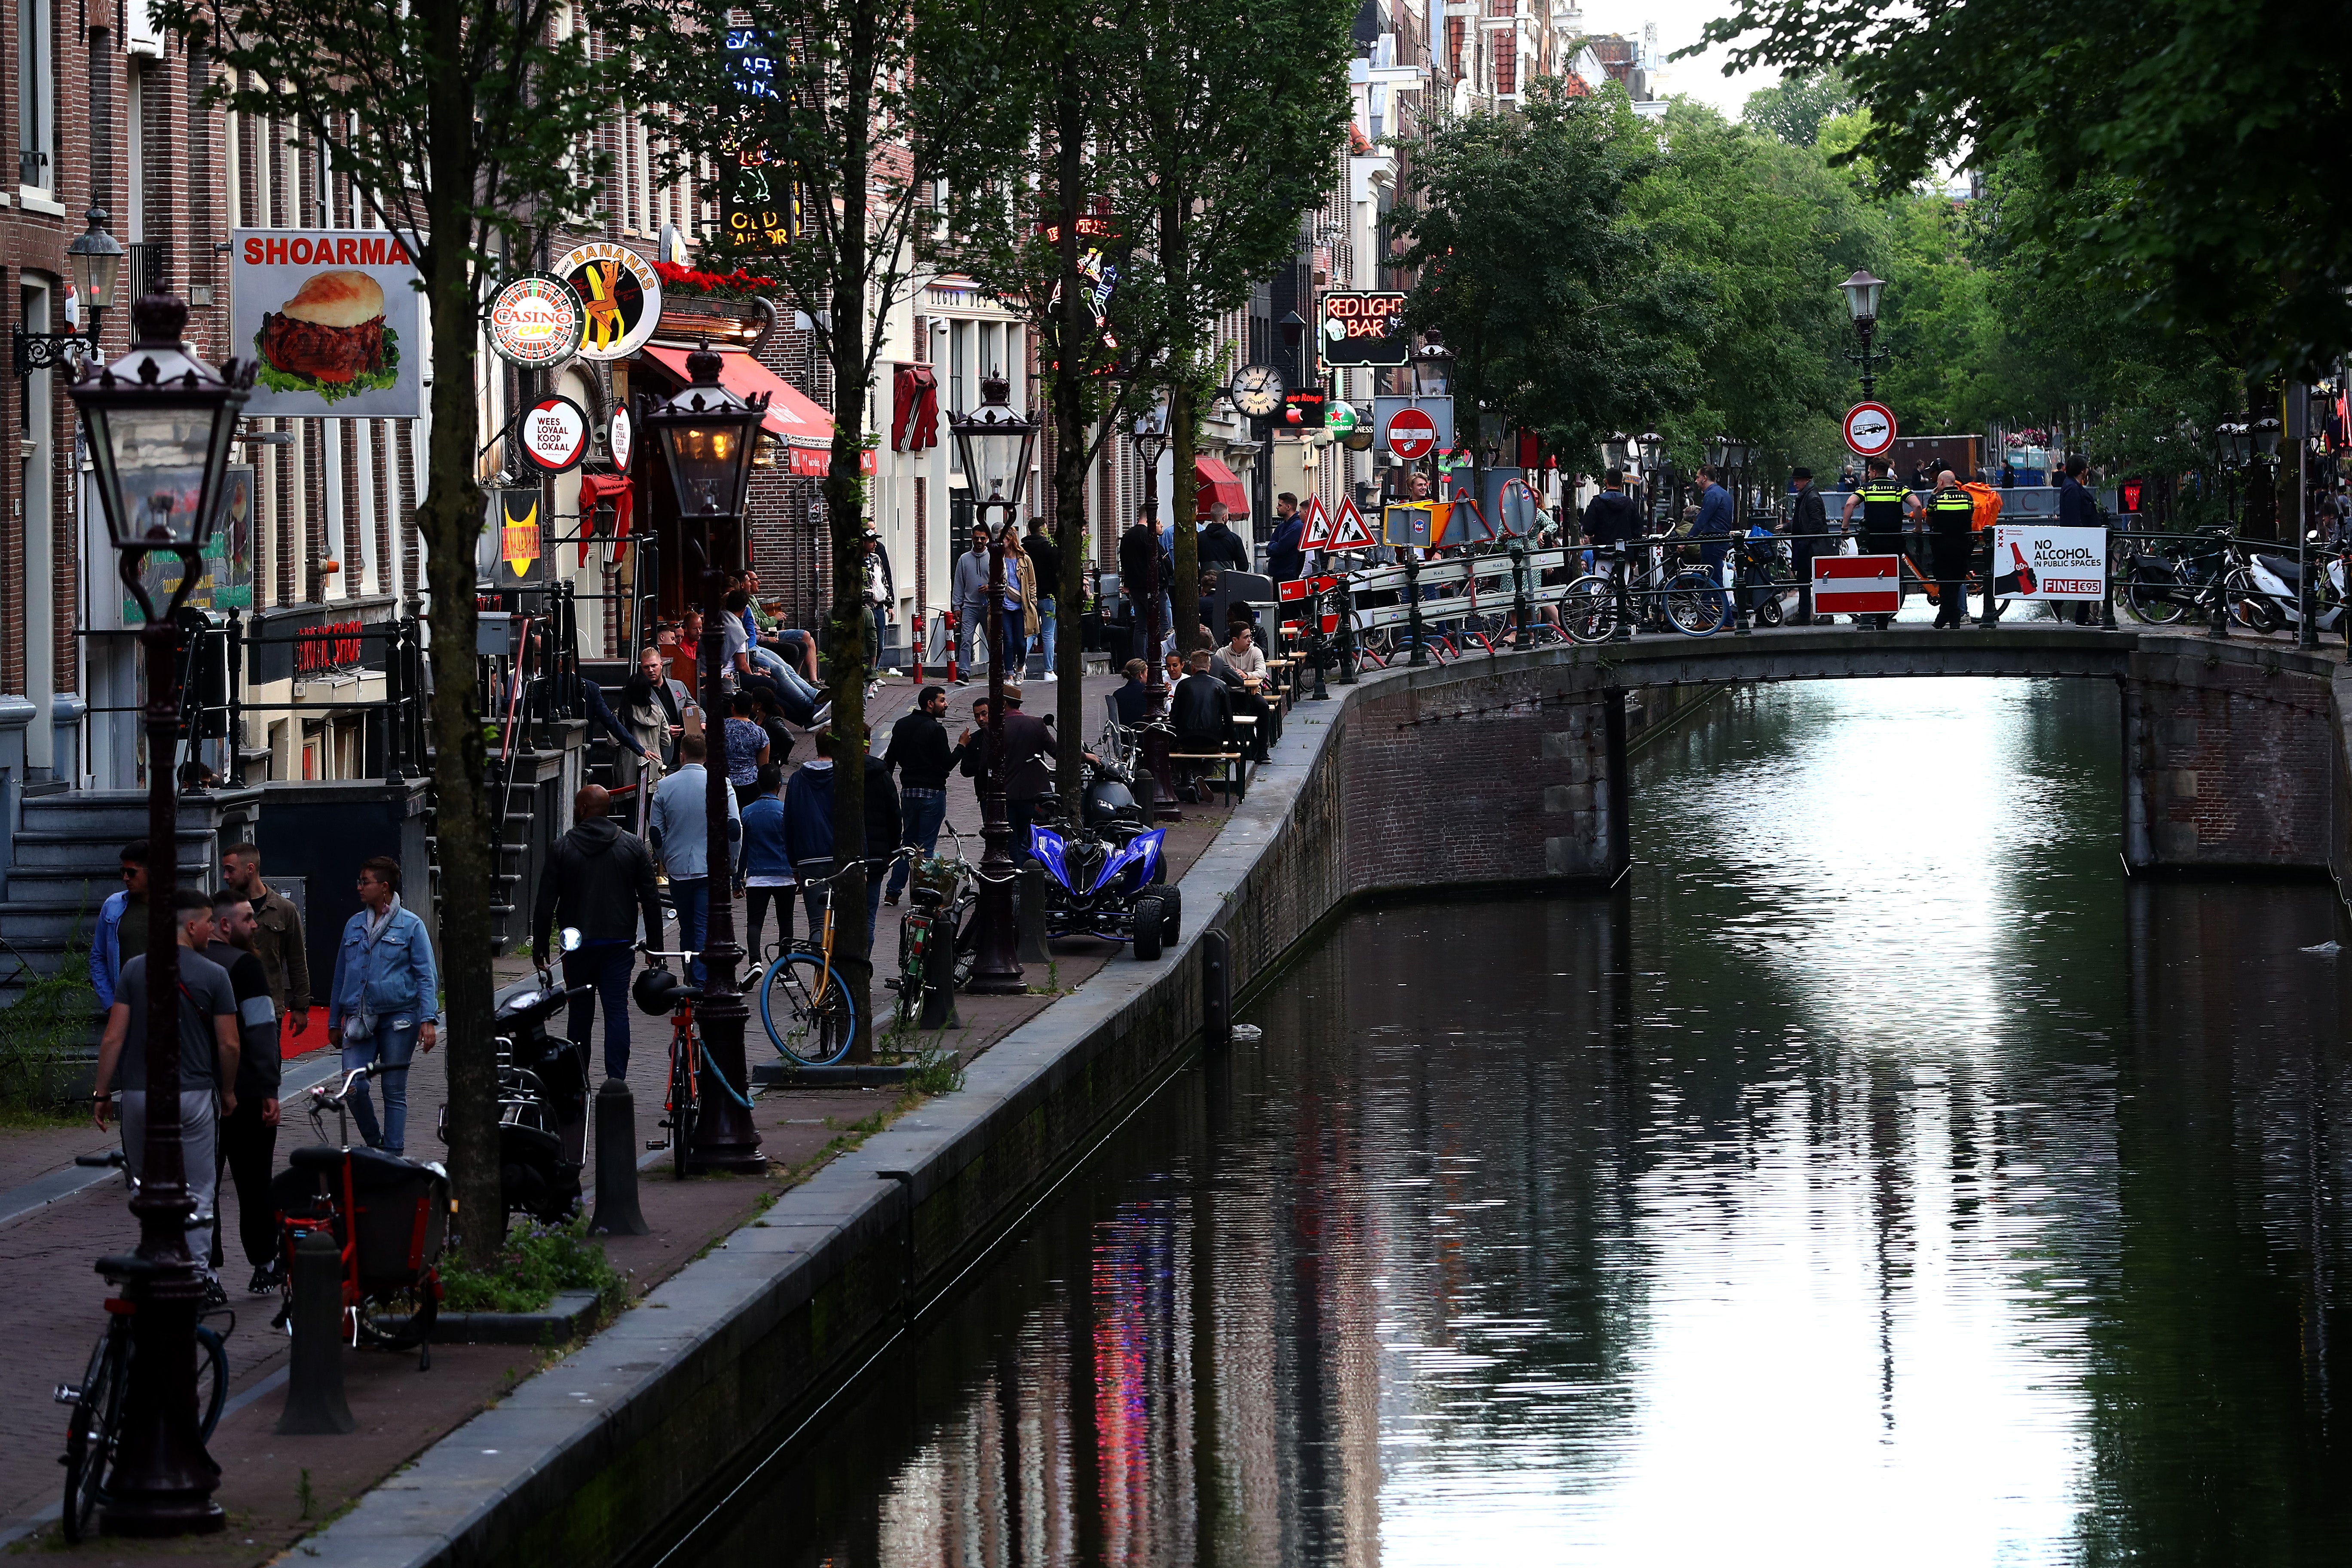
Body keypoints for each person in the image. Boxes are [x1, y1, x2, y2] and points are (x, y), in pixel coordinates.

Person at [91, 886, 239, 1274]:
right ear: (191, 926)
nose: (212, 931)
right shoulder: (215, 975)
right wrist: (227, 1090)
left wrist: (102, 1091)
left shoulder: (134, 970)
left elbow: (113, 1037)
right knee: (199, 1190)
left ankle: (155, 1262)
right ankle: (196, 1273)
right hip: (192, 1094)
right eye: (208, 923)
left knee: (145, 1188)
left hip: (140, 1095)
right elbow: (229, 1044)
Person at [533, 784, 664, 1081]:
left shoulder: (562, 848)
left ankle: (578, 1081)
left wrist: (540, 947)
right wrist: (654, 948)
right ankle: (616, 1080)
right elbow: (651, 898)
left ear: (581, 810)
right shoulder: (631, 845)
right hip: (619, 942)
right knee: (616, 1010)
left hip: (577, 945)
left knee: (580, 1013)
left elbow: (545, 902)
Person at [326, 856, 436, 1156]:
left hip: (399, 1017)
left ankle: (393, 1154)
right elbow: (341, 974)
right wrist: (334, 1020)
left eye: (366, 882)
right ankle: (375, 1141)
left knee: (393, 1089)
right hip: (359, 1016)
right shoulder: (354, 925)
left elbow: (426, 975)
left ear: (384, 887)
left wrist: (428, 1019)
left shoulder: (411, 925)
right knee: (353, 1086)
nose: (359, 887)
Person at [205, 889, 282, 1291]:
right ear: (224, 925)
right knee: (255, 1182)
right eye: (248, 919)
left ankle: (209, 1270)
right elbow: (261, 1029)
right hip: (248, 1091)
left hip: (201, 1092)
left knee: (206, 1186)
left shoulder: (189, 966)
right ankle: (264, 1263)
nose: (255, 926)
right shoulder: (245, 966)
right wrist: (270, 1086)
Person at [649, 733, 739, 988]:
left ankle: (690, 974)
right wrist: (730, 865)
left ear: (682, 755)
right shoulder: (722, 784)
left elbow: (656, 832)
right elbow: (734, 829)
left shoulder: (665, 786)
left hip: (678, 868)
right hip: (710, 867)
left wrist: (667, 857)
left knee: (687, 925)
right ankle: (699, 980)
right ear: (707, 757)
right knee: (702, 925)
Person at [220, 842, 311, 1040]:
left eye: (230, 870)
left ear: (250, 869)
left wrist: (301, 1006)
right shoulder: (223, 908)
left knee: (267, 1062)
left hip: (269, 1003)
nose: (226, 876)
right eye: (224, 870)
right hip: (229, 1001)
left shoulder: (284, 909)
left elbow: (297, 960)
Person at [957, 684, 1060, 854]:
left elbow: (985, 766)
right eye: (978, 716)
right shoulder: (1036, 723)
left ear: (1003, 704)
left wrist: (988, 790)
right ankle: (1028, 874)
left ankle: (1017, 878)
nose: (981, 719)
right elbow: (1058, 752)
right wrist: (1086, 757)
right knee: (1026, 840)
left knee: (1010, 843)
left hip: (1005, 797)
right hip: (1031, 795)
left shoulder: (995, 729)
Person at [882, 686, 953, 905]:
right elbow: (947, 764)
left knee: (908, 843)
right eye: (942, 700)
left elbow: (890, 760)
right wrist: (962, 746)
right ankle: (921, 894)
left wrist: (889, 789)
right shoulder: (936, 730)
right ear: (930, 704)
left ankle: (893, 892)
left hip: (909, 792)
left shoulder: (901, 725)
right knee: (926, 846)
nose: (946, 704)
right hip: (932, 791)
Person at [1841, 456, 1923, 628]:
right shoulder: (1899, 488)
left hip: (1873, 542)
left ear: (1875, 472)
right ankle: (1885, 616)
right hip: (1894, 541)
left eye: (1870, 471)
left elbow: (1850, 504)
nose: (1869, 474)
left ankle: (1876, 616)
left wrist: (1844, 529)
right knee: (1891, 578)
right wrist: (1918, 528)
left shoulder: (1867, 489)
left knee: (1874, 578)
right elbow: (1916, 506)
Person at [91, 839, 150, 1008]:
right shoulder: (114, 906)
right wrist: (111, 1004)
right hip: (127, 1006)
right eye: (123, 871)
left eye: (131, 873)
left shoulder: (177, 908)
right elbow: (98, 957)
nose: (125, 878)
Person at [1926, 468, 1978, 629]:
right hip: (1962, 545)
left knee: (1945, 581)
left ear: (1941, 482)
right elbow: (1969, 516)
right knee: (1955, 581)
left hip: (1942, 545)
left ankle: (1946, 617)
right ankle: (1952, 618)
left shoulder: (1936, 499)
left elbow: (1929, 520)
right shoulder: (1968, 497)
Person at [1119, 512, 1169, 658]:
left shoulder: (1127, 536)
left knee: (1141, 626)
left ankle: (1141, 659)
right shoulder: (1148, 535)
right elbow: (1158, 558)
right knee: (1162, 623)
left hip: (1135, 588)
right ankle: (1159, 658)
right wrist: (1163, 580)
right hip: (1152, 588)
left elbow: (1124, 560)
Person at [1788, 468, 1829, 624]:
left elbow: (1816, 523)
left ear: (1807, 480)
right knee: (1805, 579)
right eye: (1794, 480)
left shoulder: (1811, 497)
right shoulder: (1807, 495)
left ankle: (1822, 614)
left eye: (1798, 480)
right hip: (1808, 545)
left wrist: (1805, 541)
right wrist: (1788, 528)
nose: (1795, 483)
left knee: (1815, 580)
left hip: (1812, 546)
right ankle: (1805, 614)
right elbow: (1802, 520)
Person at [952, 528, 992, 679]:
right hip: (969, 607)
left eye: (982, 538)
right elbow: (959, 583)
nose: (980, 541)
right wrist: (957, 606)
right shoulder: (964, 559)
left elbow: (1002, 580)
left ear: (987, 538)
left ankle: (996, 670)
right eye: (977, 538)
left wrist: (990, 587)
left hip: (989, 607)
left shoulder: (993, 557)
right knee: (966, 640)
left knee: (992, 641)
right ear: (972, 538)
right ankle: (964, 673)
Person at [1025, 517, 1062, 680]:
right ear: (1043, 530)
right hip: (1048, 596)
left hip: (1029, 597)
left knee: (1030, 633)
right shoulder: (1050, 549)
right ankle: (1048, 671)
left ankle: (1020, 664)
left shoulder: (1023, 548)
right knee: (1048, 634)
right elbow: (1057, 572)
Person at [722, 689, 771, 807]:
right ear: (751, 708)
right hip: (751, 784)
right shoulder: (760, 733)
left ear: (733, 707)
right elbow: (763, 766)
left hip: (723, 782)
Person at [999, 524, 1037, 674]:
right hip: (1004, 605)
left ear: (1011, 539)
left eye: (1005, 539)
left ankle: (1021, 666)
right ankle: (1009, 673)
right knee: (1008, 641)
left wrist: (1032, 602)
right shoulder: (998, 558)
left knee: (1021, 643)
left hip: (1021, 606)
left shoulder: (1024, 559)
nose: (1002, 542)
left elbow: (1032, 583)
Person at [1691, 465, 1735, 577]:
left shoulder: (1712, 495)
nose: (1696, 481)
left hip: (1713, 541)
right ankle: (1713, 595)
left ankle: (1716, 595)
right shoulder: (1724, 493)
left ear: (1704, 478)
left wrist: (1686, 541)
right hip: (1720, 540)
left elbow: (1702, 520)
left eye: (1698, 477)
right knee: (1710, 578)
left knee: (1709, 579)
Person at [1199, 502, 1251, 571]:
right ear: (1224, 517)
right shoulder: (1234, 539)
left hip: (1205, 580)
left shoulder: (1200, 538)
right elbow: (1243, 567)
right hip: (1227, 580)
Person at [1268, 494, 1306, 585]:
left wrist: (1275, 547)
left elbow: (1280, 548)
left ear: (1288, 507)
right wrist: (1274, 547)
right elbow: (1270, 547)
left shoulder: (1297, 527)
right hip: (1280, 575)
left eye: (1280, 505)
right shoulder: (1282, 526)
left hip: (1289, 576)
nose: (1277, 507)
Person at [1112, 658, 1156, 725]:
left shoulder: (1117, 694)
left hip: (1125, 732)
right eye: (1147, 673)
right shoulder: (1147, 691)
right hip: (1145, 731)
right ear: (1141, 674)